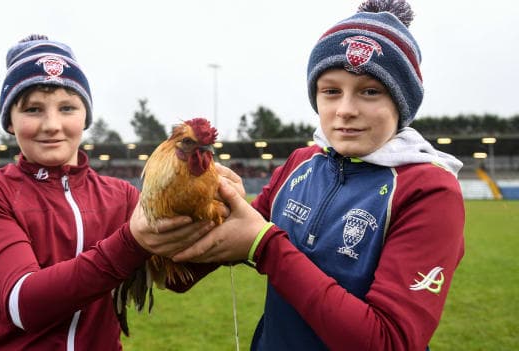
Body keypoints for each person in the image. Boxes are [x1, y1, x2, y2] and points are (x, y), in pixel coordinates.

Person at [173, 1, 465, 350]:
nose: (345, 109)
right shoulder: (301, 162)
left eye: (370, 91)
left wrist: (266, 247)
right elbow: (211, 253)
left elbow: (389, 342)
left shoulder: (430, 190)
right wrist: (185, 216)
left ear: (402, 103)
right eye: (330, 91)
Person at [0, 34, 218, 350]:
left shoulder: (121, 196)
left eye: (67, 108)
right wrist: (132, 242)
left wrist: (230, 225)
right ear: (10, 121)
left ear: (85, 117)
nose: (52, 125)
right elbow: (22, 303)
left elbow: (175, 277)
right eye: (33, 110)